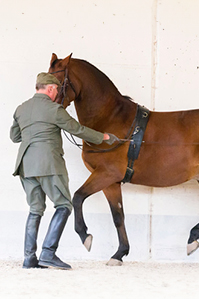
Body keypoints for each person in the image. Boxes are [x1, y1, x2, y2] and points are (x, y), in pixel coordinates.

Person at [10, 73, 118, 270]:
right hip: (49, 164)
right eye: (57, 90)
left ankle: (29, 258)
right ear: (50, 88)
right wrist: (103, 136)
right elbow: (77, 129)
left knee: (35, 210)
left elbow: (15, 136)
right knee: (63, 205)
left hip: (25, 166)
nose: (57, 94)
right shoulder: (54, 110)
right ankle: (48, 254)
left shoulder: (21, 109)